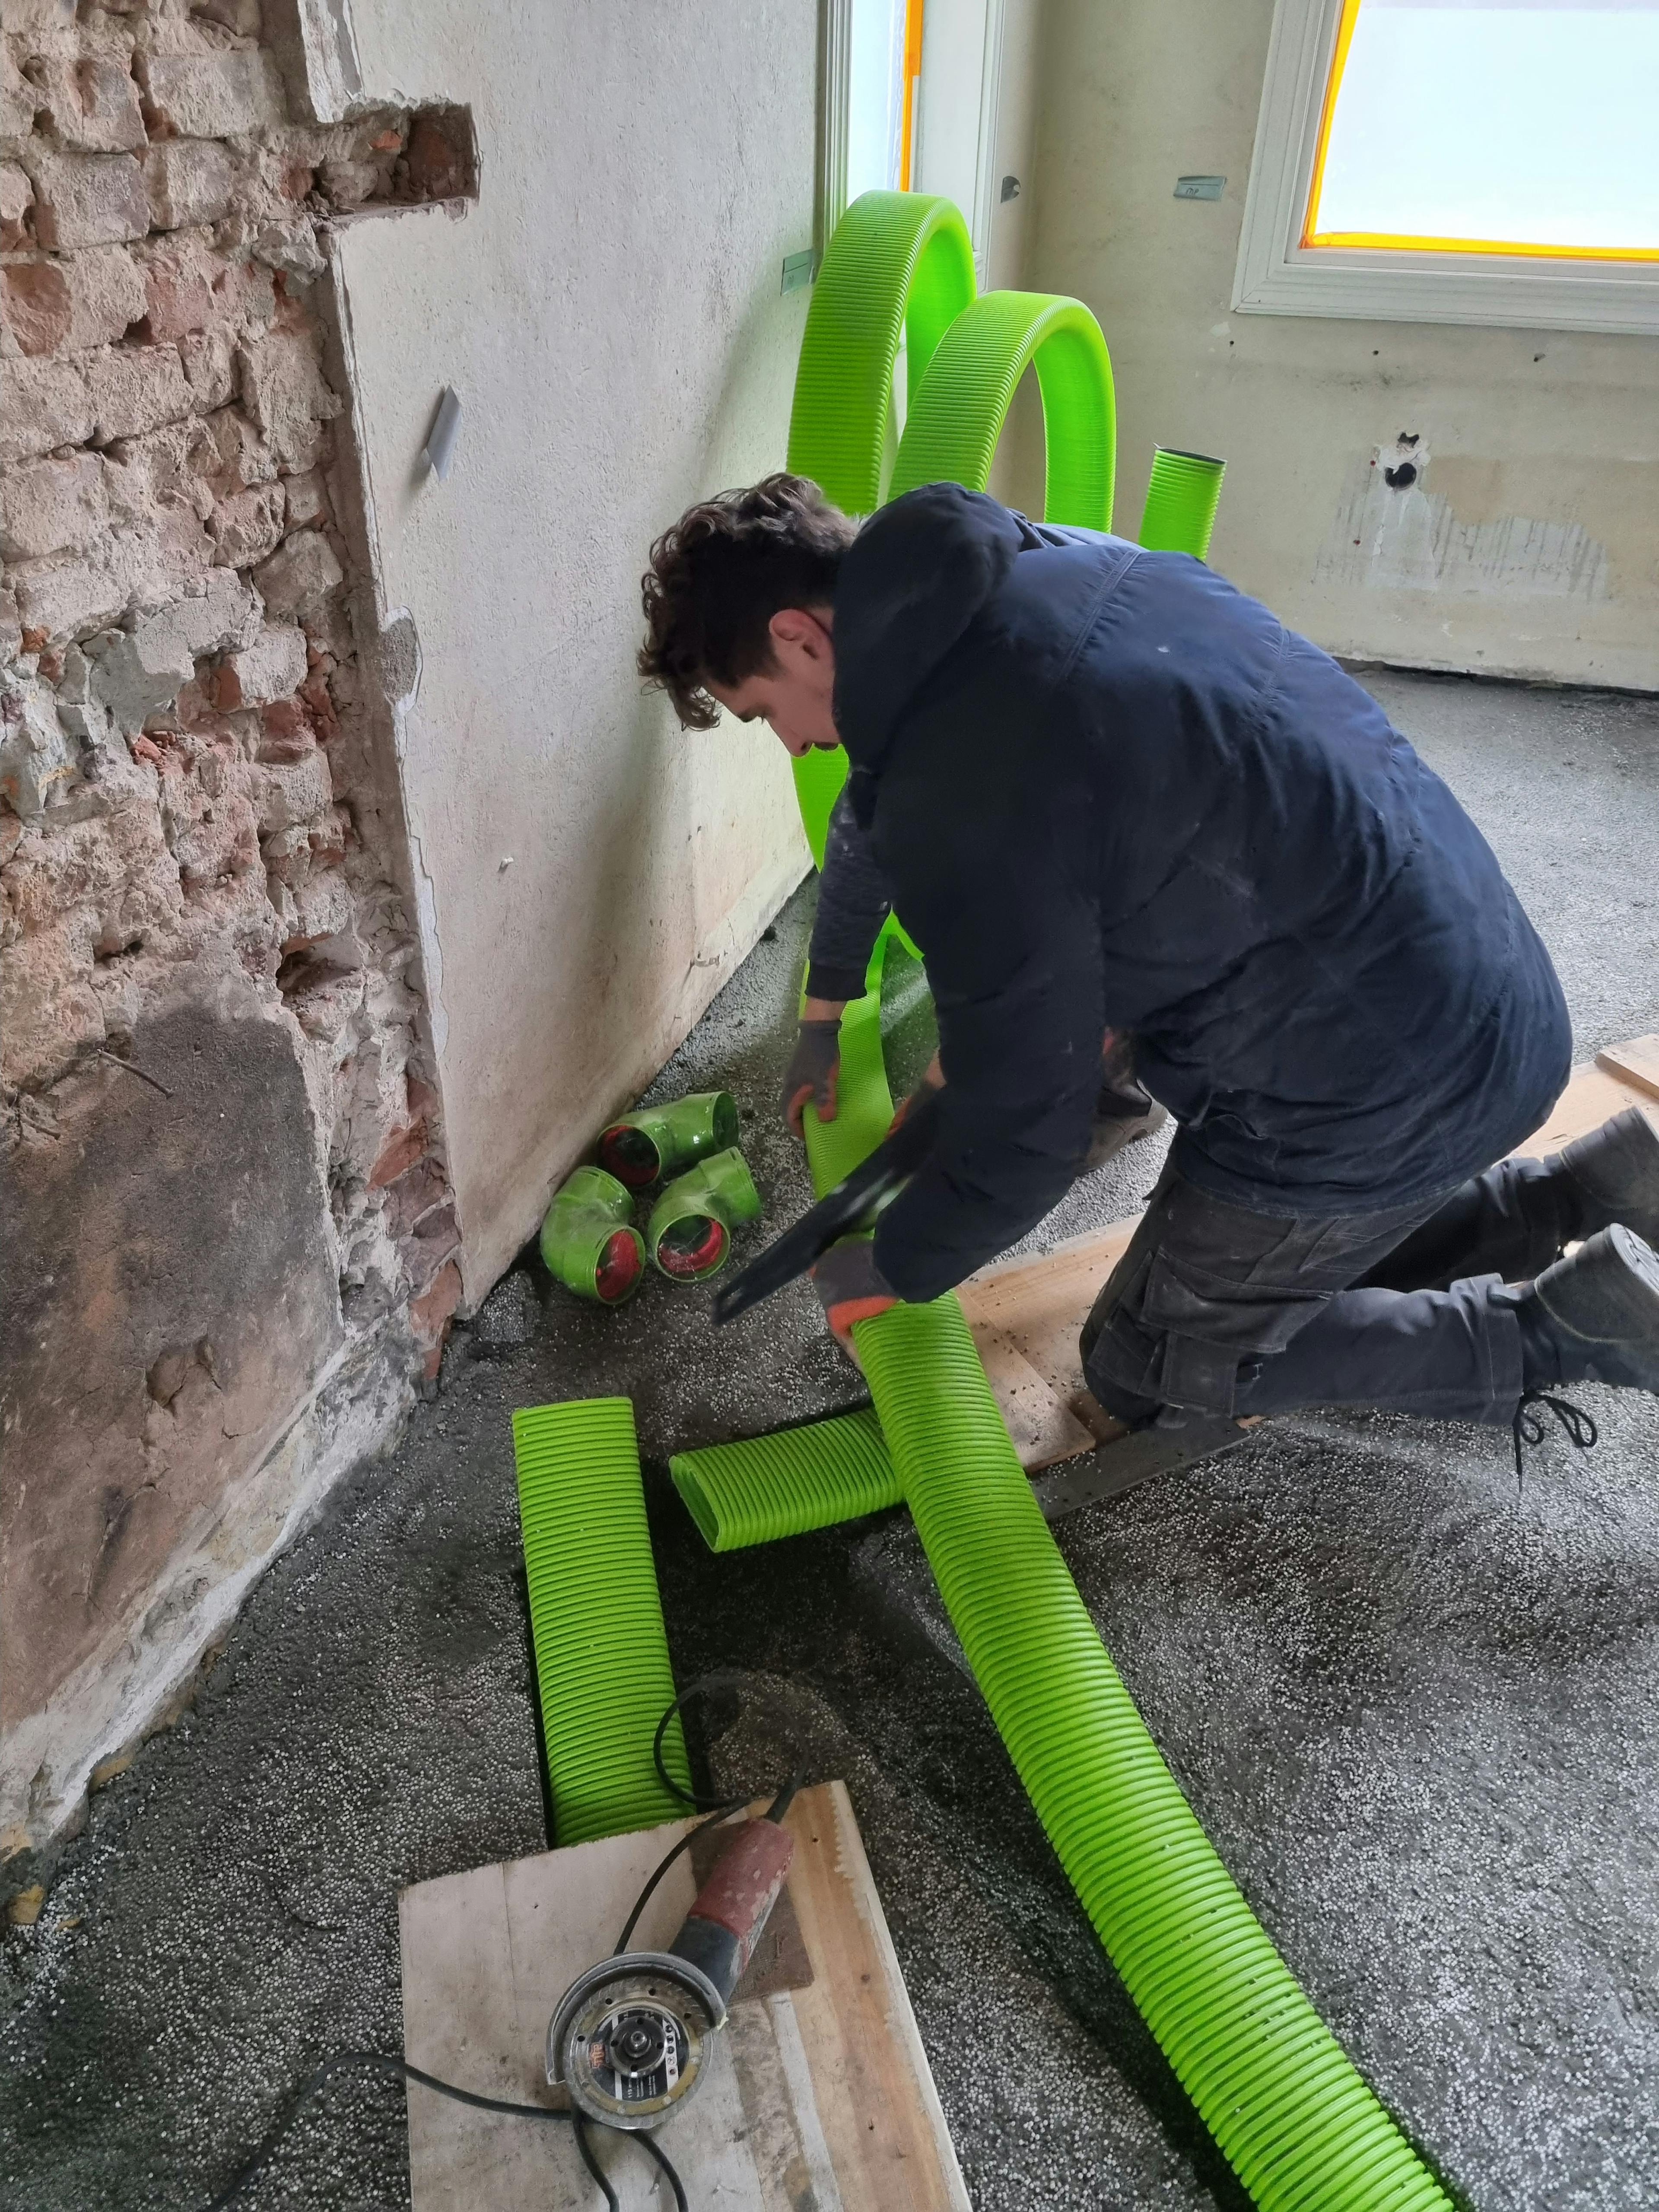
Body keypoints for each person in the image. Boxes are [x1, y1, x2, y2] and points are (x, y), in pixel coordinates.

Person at [638, 472, 1659, 1466]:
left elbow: (1030, 1130)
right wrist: (852, 1019)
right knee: (1210, 1214)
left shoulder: (962, 788)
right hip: (1488, 986)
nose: (793, 747)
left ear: (799, 638)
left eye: (764, 714)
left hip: (1378, 1090)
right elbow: (895, 812)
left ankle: (1560, 1331)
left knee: (1153, 1362)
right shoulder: (1037, 564)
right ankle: (1577, 1190)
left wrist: (894, 1258)